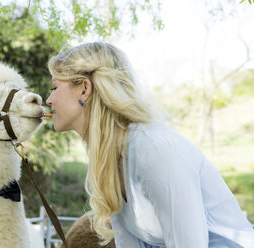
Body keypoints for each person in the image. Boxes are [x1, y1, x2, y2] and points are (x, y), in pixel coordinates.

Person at [45, 42, 254, 248]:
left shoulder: (155, 150)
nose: (48, 100)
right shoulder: (109, 158)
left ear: (84, 89)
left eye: (54, 87)